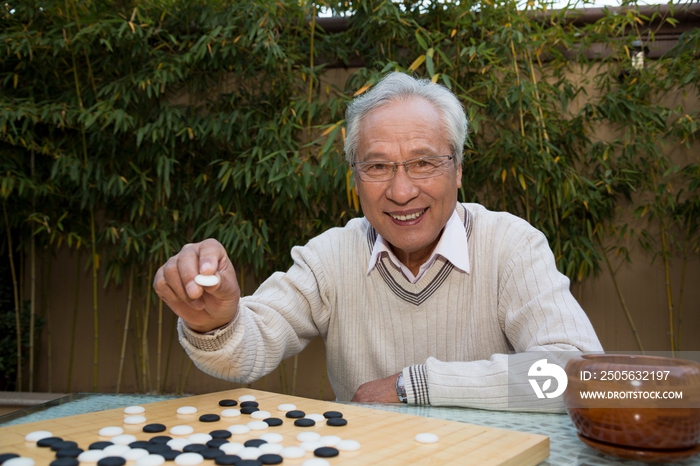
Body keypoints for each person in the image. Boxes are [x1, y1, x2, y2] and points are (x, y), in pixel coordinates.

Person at [153, 72, 603, 410]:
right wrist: (214, 323)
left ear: (460, 169)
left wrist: (416, 386)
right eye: (378, 167)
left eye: (424, 163)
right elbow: (246, 353)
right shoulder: (330, 256)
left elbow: (579, 375)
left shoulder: (512, 245)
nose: (402, 191)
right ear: (355, 177)